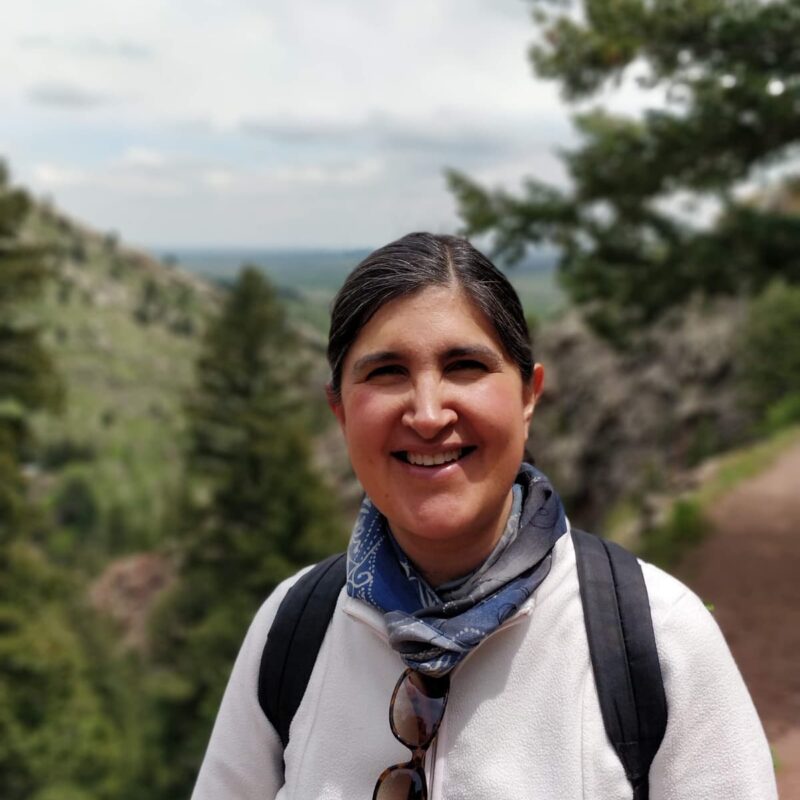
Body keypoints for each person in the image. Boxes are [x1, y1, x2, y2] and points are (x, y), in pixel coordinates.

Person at [191, 233, 777, 799]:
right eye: (387, 372)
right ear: (340, 410)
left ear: (528, 395)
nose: (426, 414)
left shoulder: (654, 634)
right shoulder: (295, 627)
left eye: (465, 365)